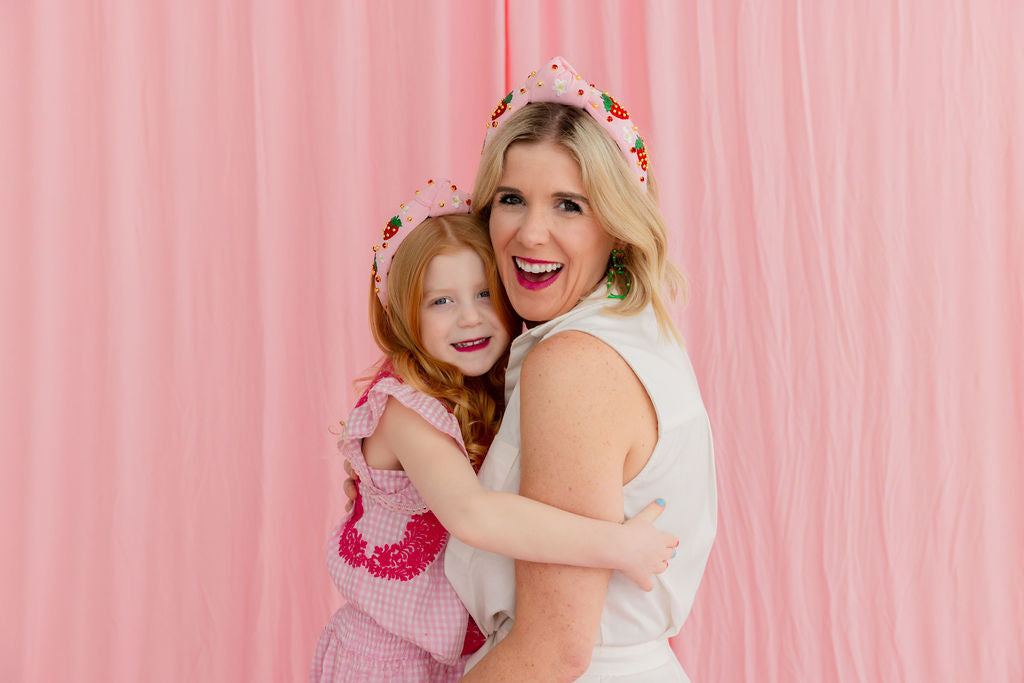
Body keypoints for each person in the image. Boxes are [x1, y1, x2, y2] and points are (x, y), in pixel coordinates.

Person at [310, 178, 680, 682]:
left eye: (485, 293)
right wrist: (616, 545)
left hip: (459, 660)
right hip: (386, 660)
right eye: (440, 301)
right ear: (402, 315)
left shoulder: (499, 390)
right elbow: (474, 515)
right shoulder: (406, 409)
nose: (470, 318)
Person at [442, 58, 718, 682]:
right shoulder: (635, 333)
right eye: (512, 199)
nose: (530, 232)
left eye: (569, 205)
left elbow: (551, 654)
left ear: (617, 227)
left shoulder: (572, 365)